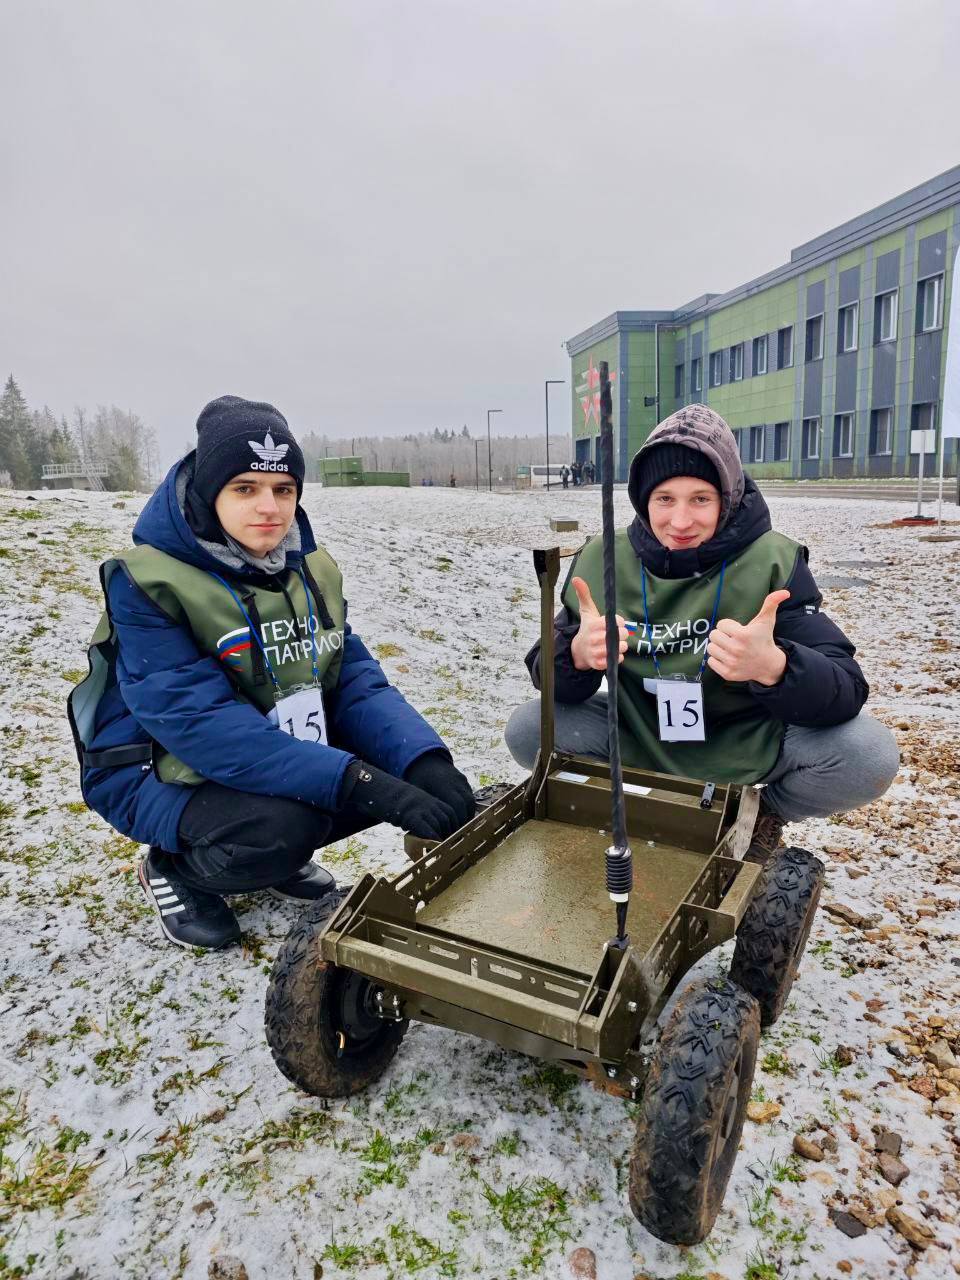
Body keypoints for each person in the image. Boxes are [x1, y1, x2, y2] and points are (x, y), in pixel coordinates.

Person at [70, 396, 476, 950]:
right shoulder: (147, 583)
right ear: (207, 493)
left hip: (270, 745)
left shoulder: (309, 569)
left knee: (407, 782)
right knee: (286, 825)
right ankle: (175, 870)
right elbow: (201, 723)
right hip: (153, 768)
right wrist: (357, 778)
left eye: (283, 489)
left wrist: (420, 760)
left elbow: (353, 679)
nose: (269, 507)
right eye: (245, 488)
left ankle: (269, 859)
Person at [504, 403, 899, 863]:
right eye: (665, 499)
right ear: (643, 500)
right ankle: (633, 805)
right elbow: (544, 671)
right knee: (528, 728)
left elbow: (846, 687)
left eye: (700, 499)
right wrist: (574, 654)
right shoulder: (601, 559)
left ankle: (758, 818)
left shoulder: (773, 561)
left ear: (726, 498)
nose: (681, 522)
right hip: (639, 730)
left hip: (745, 734)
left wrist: (775, 667)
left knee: (869, 754)